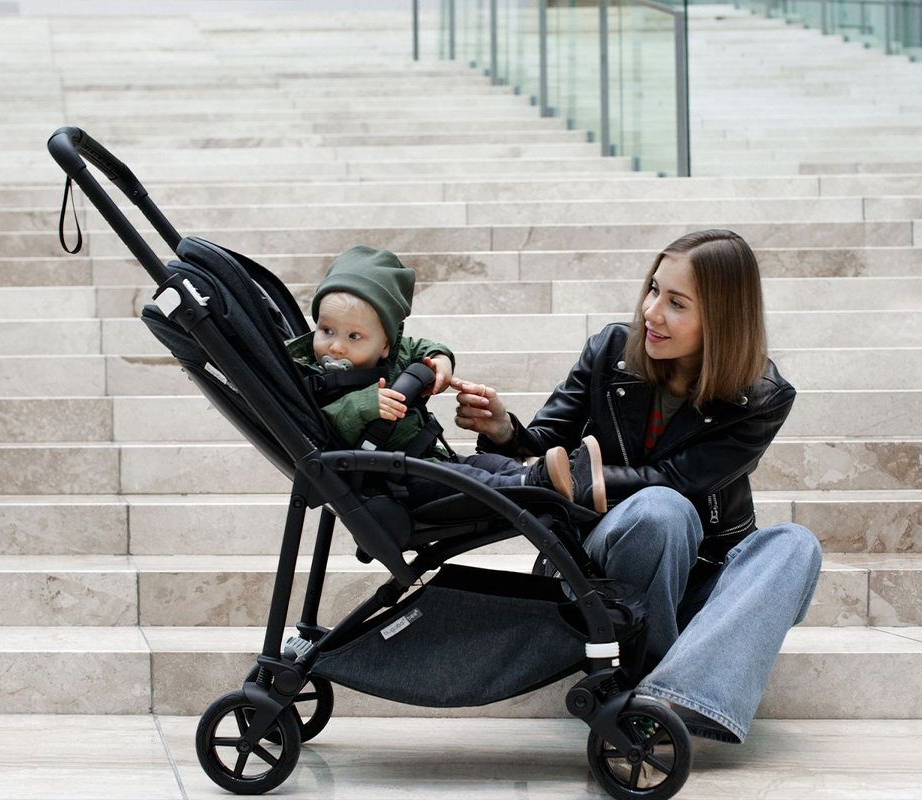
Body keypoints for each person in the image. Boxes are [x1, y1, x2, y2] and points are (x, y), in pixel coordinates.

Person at [452, 229, 822, 744]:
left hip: (698, 578)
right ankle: (655, 691)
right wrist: (503, 430)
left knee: (796, 545)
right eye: (653, 289)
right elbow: (544, 445)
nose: (651, 312)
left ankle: (669, 696)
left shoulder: (761, 397)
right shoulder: (610, 350)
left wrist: (576, 475)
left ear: (722, 316)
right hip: (603, 574)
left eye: (676, 303)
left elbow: (681, 480)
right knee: (659, 512)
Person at [285, 245, 607, 510]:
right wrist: (366, 404)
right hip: (397, 481)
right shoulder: (316, 376)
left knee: (489, 466)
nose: (336, 347)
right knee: (472, 479)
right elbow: (325, 420)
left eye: (354, 336)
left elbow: (422, 346)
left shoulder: (394, 354)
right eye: (326, 330)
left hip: (428, 459)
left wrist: (440, 361)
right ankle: (534, 485)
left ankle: (553, 477)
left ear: (385, 344)